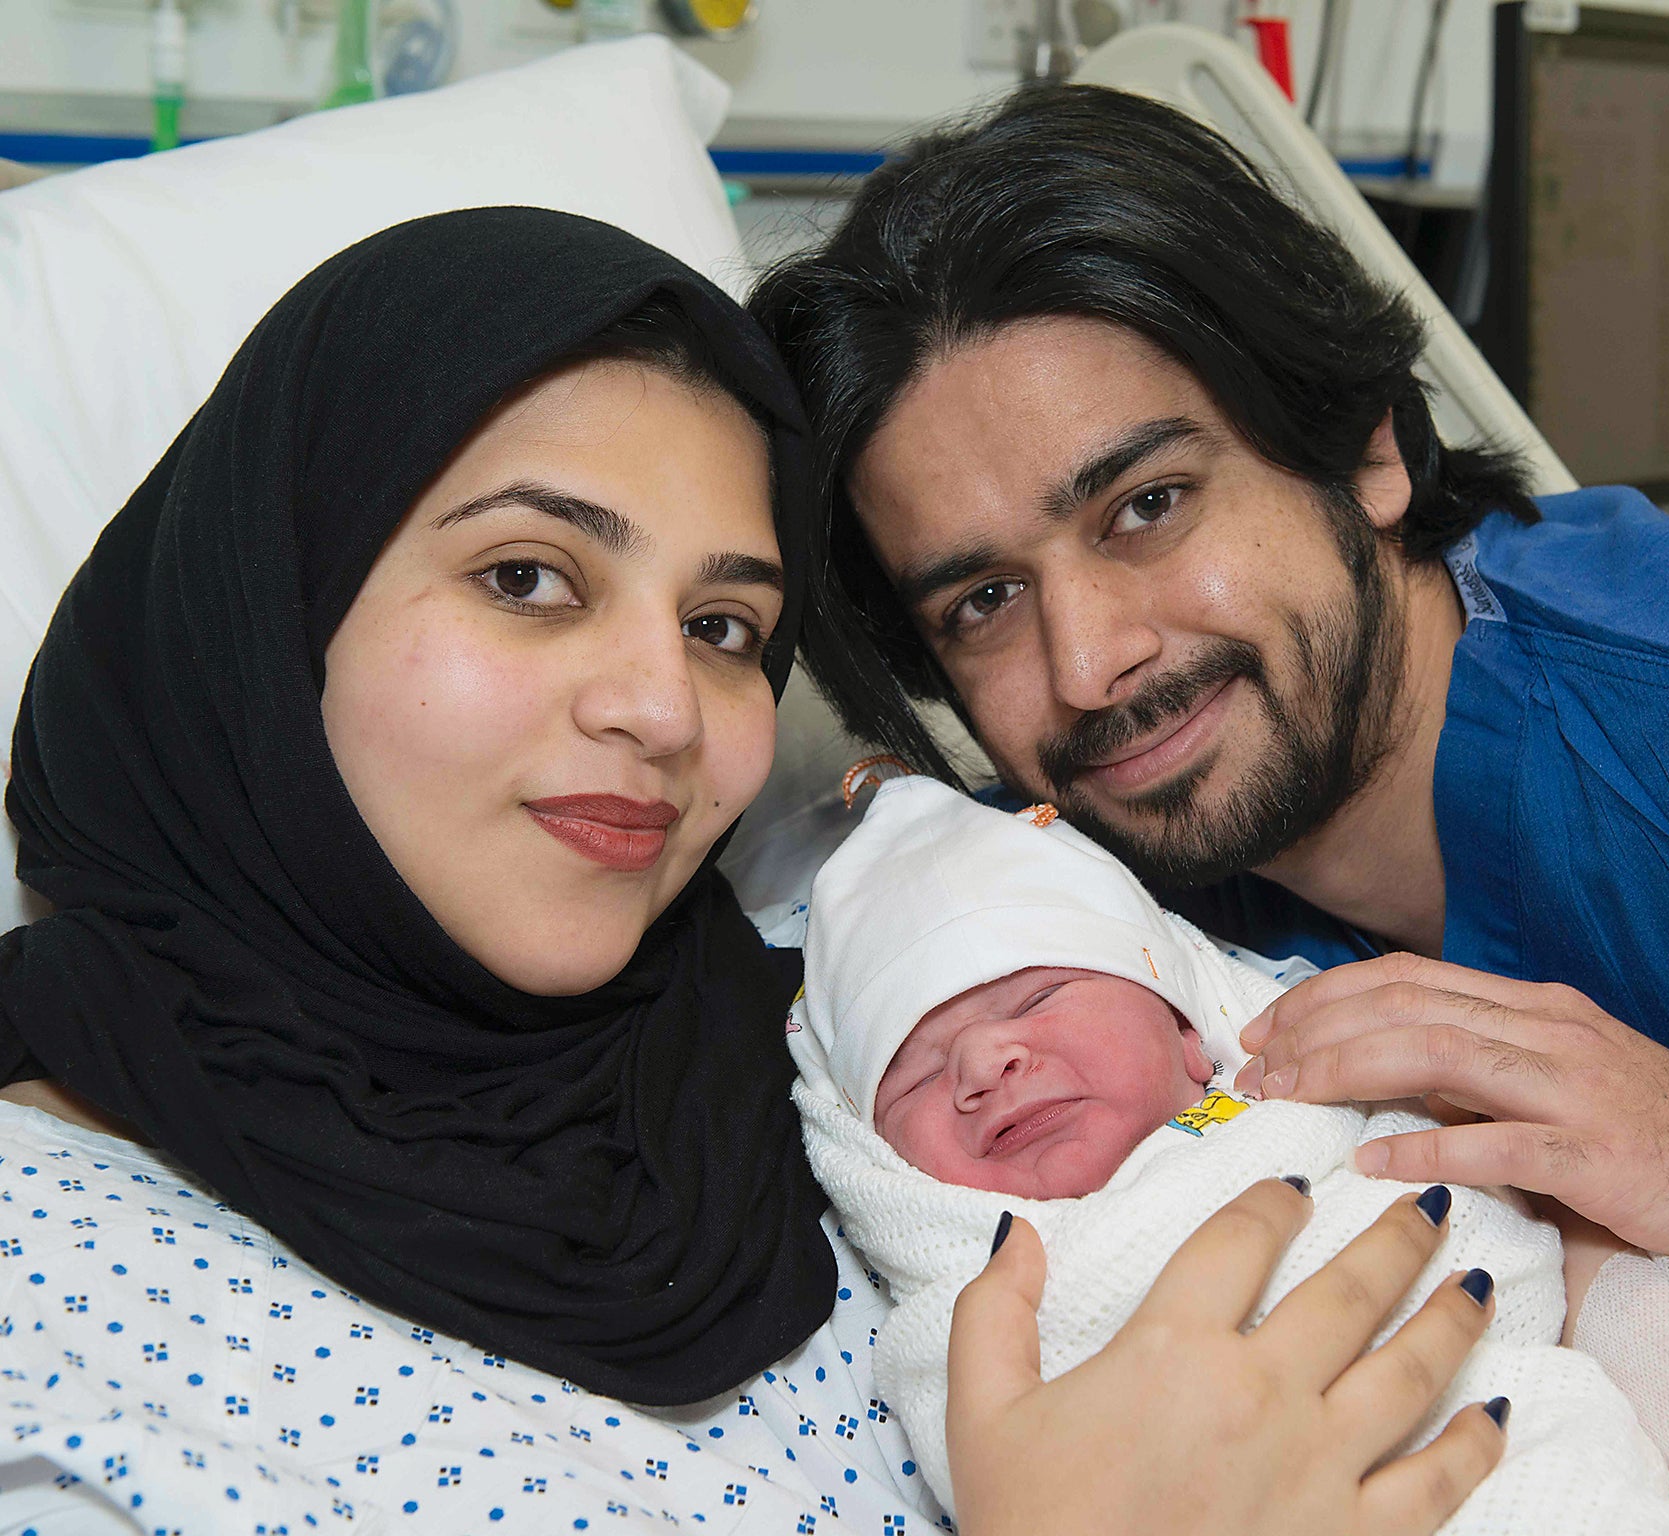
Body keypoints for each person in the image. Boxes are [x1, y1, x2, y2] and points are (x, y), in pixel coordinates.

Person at [0, 206, 1514, 1536]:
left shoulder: (856, 1033)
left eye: (724, 629)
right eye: (528, 579)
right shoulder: (49, 1296)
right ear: (264, 619)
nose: (663, 710)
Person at [748, 83, 1669, 1527]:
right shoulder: (1081, 903)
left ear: (1366, 448)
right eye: (984, 600)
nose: (1087, 661)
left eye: (1149, 506)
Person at [786, 771, 1669, 1536]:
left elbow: (1563, 1263)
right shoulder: (963, 1306)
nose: (986, 1059)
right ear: (880, 1168)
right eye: (914, 1064)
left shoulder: (1310, 1103)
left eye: (1039, 992)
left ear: (1184, 1019)